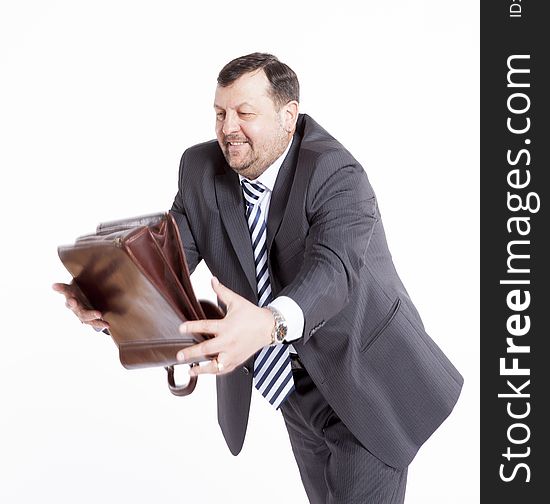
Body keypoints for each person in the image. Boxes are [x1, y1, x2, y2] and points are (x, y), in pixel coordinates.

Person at [53, 53, 463, 503]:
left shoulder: (336, 173)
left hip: (365, 383)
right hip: (295, 390)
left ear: (289, 116)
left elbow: (334, 271)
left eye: (245, 113)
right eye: (220, 113)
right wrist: (110, 300)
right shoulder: (200, 171)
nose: (229, 127)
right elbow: (168, 262)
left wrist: (269, 324)